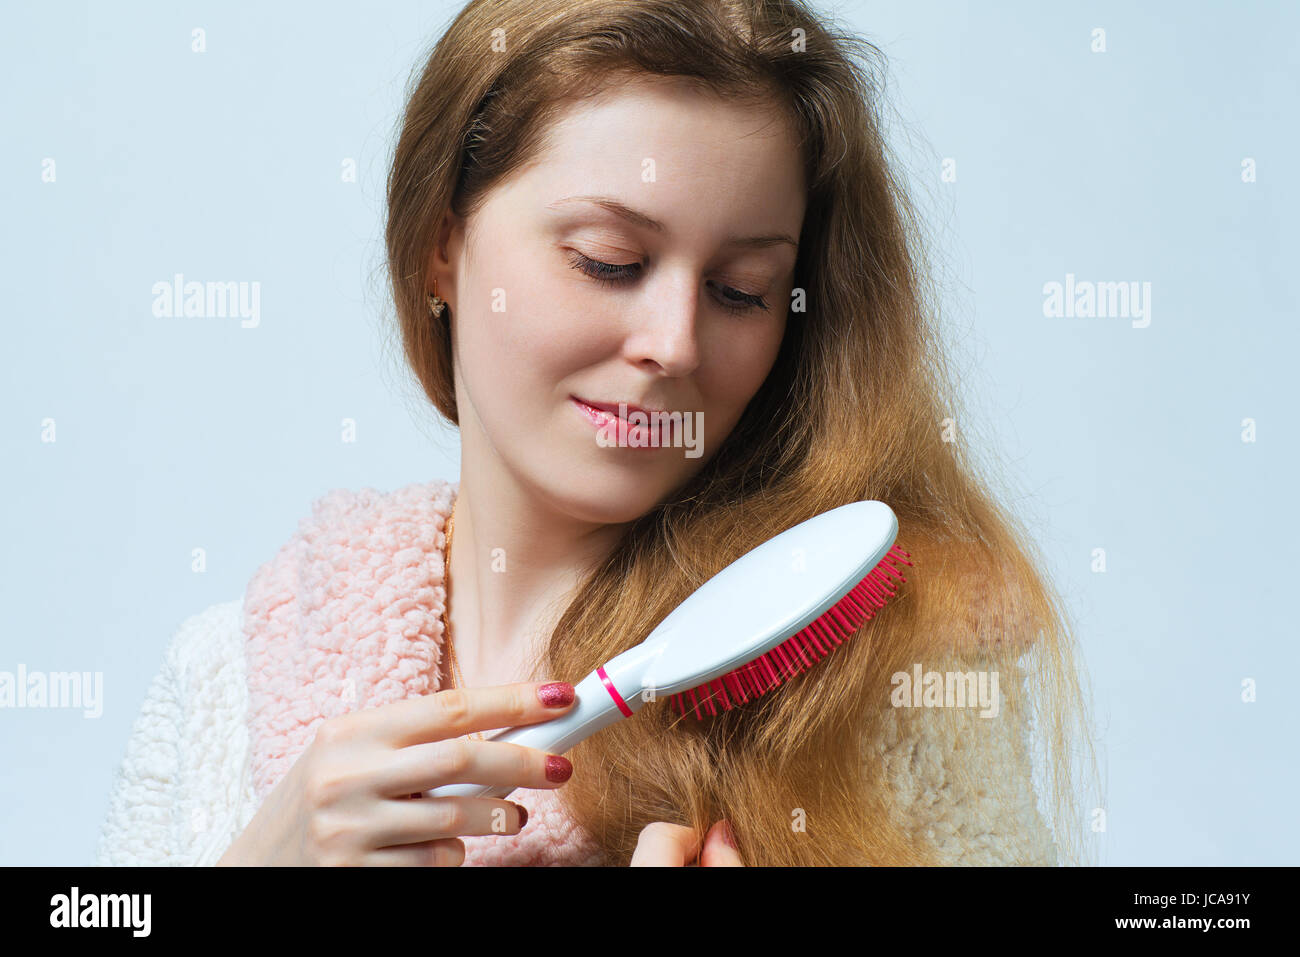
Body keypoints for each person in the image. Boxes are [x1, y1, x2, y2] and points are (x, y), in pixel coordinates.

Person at [96, 0, 1099, 867]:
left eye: (738, 290)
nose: (672, 343)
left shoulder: (875, 683)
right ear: (444, 245)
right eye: (609, 260)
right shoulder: (224, 673)